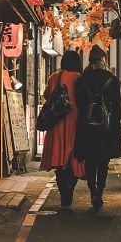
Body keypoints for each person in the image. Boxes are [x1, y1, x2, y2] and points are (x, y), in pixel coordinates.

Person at [75, 45, 121, 210]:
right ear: (104, 60)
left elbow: (79, 105)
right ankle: (99, 192)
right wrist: (115, 123)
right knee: (103, 162)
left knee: (89, 161)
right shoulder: (112, 79)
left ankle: (92, 189)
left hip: (86, 127)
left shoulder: (81, 80)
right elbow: (118, 107)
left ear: (90, 61)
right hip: (105, 129)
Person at [39, 50, 86, 206]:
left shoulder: (54, 77)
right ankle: (69, 190)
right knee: (73, 158)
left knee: (59, 162)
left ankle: (63, 192)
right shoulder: (80, 78)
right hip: (75, 122)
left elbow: (47, 95)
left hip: (57, 122)